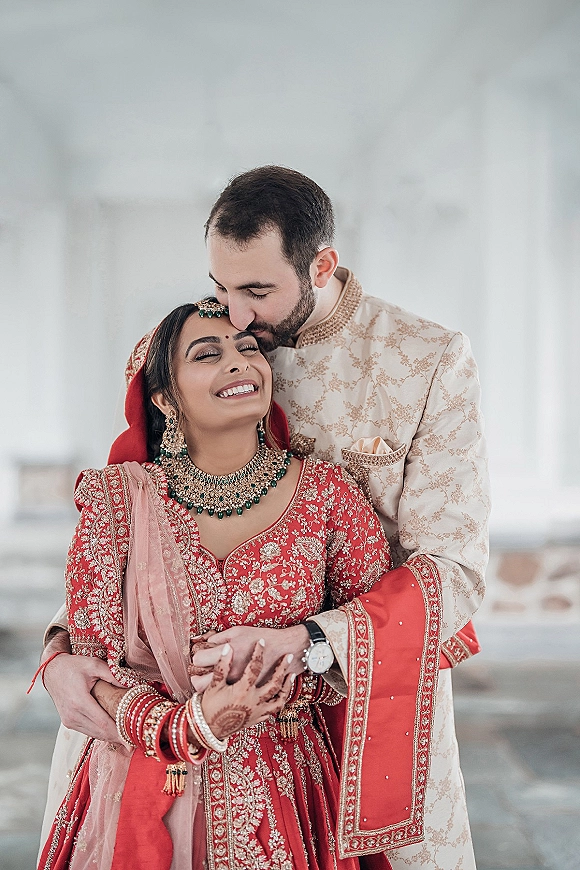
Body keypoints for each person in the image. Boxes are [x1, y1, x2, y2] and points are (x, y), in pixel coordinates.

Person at [41, 167, 489, 869]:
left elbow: (455, 570)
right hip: (153, 722)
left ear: (322, 265)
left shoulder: (423, 361)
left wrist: (309, 641)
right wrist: (62, 656)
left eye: (255, 294)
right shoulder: (202, 339)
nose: (238, 321)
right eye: (221, 288)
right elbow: (130, 534)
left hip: (360, 689)